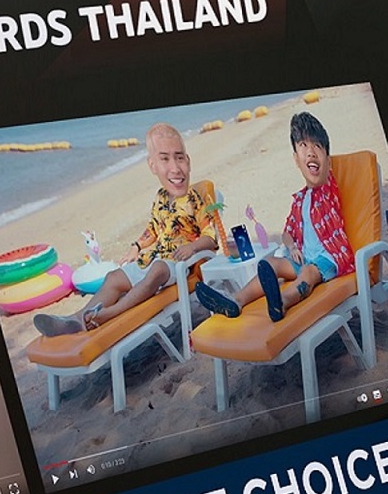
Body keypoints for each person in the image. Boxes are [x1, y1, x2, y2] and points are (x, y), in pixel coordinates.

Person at [37, 122, 238, 332]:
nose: (175, 167)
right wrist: (136, 247)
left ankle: (109, 313)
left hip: (180, 264)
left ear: (188, 162)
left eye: (179, 158)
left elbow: (210, 237)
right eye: (164, 159)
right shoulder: (161, 197)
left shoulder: (196, 198)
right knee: (114, 277)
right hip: (154, 259)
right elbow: (154, 228)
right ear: (153, 166)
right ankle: (77, 319)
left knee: (157, 270)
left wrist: (192, 247)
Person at [212, 112, 356, 322]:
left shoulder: (328, 188)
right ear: (296, 159)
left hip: (328, 259)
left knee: (308, 272)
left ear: (328, 160)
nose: (311, 152)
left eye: (318, 147)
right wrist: (292, 247)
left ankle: (282, 302)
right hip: (303, 257)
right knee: (271, 263)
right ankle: (236, 301)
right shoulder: (300, 200)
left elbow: (323, 174)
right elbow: (287, 232)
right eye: (304, 146)